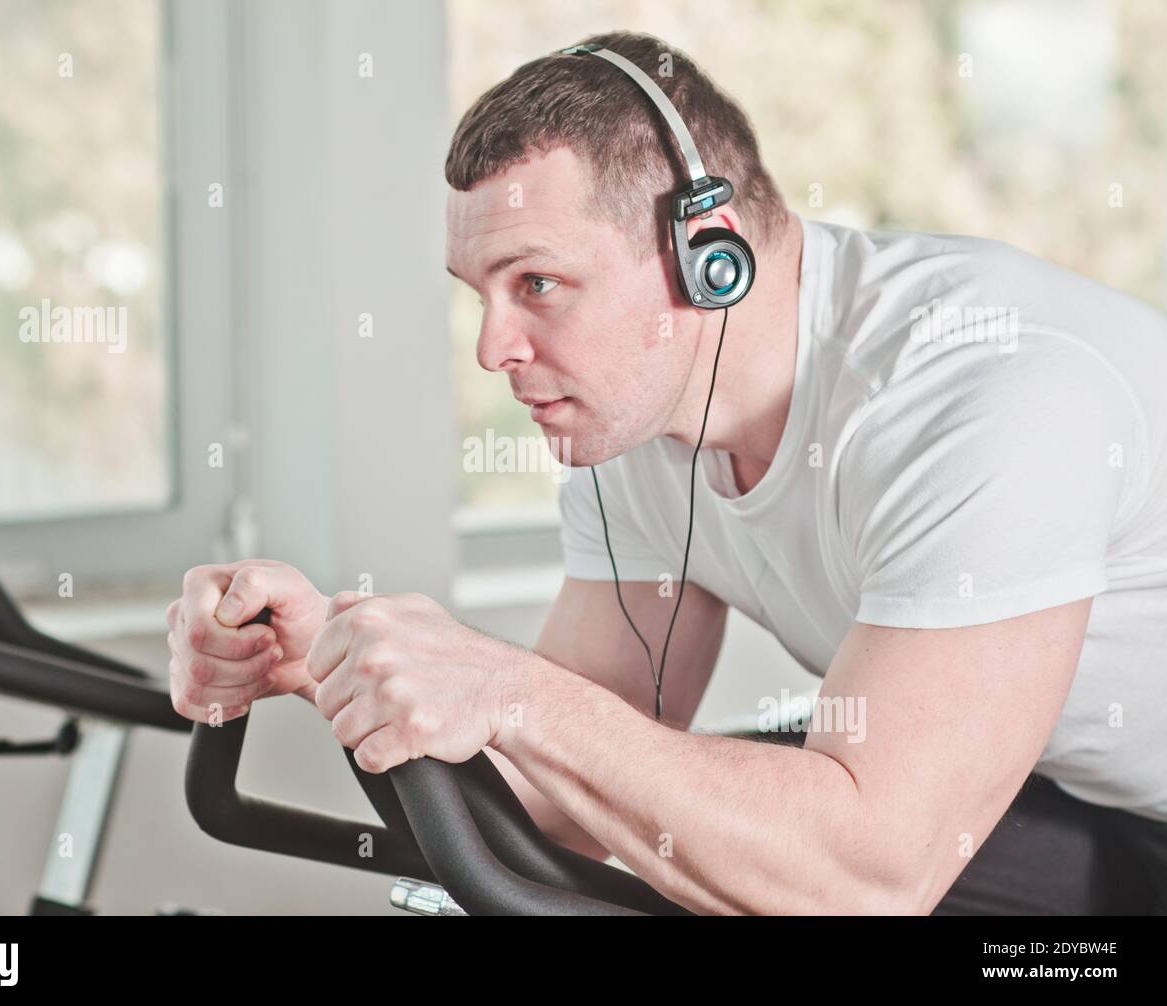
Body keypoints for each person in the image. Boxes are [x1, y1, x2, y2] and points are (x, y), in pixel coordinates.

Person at [165, 30, 1167, 914]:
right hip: (1080, 806)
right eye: (483, 294)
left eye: (539, 283)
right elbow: (557, 810)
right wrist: (326, 657)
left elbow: (865, 880)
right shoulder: (638, 430)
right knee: (713, 838)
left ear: (708, 257)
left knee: (803, 857)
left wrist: (509, 687)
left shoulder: (977, 393)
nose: (493, 349)